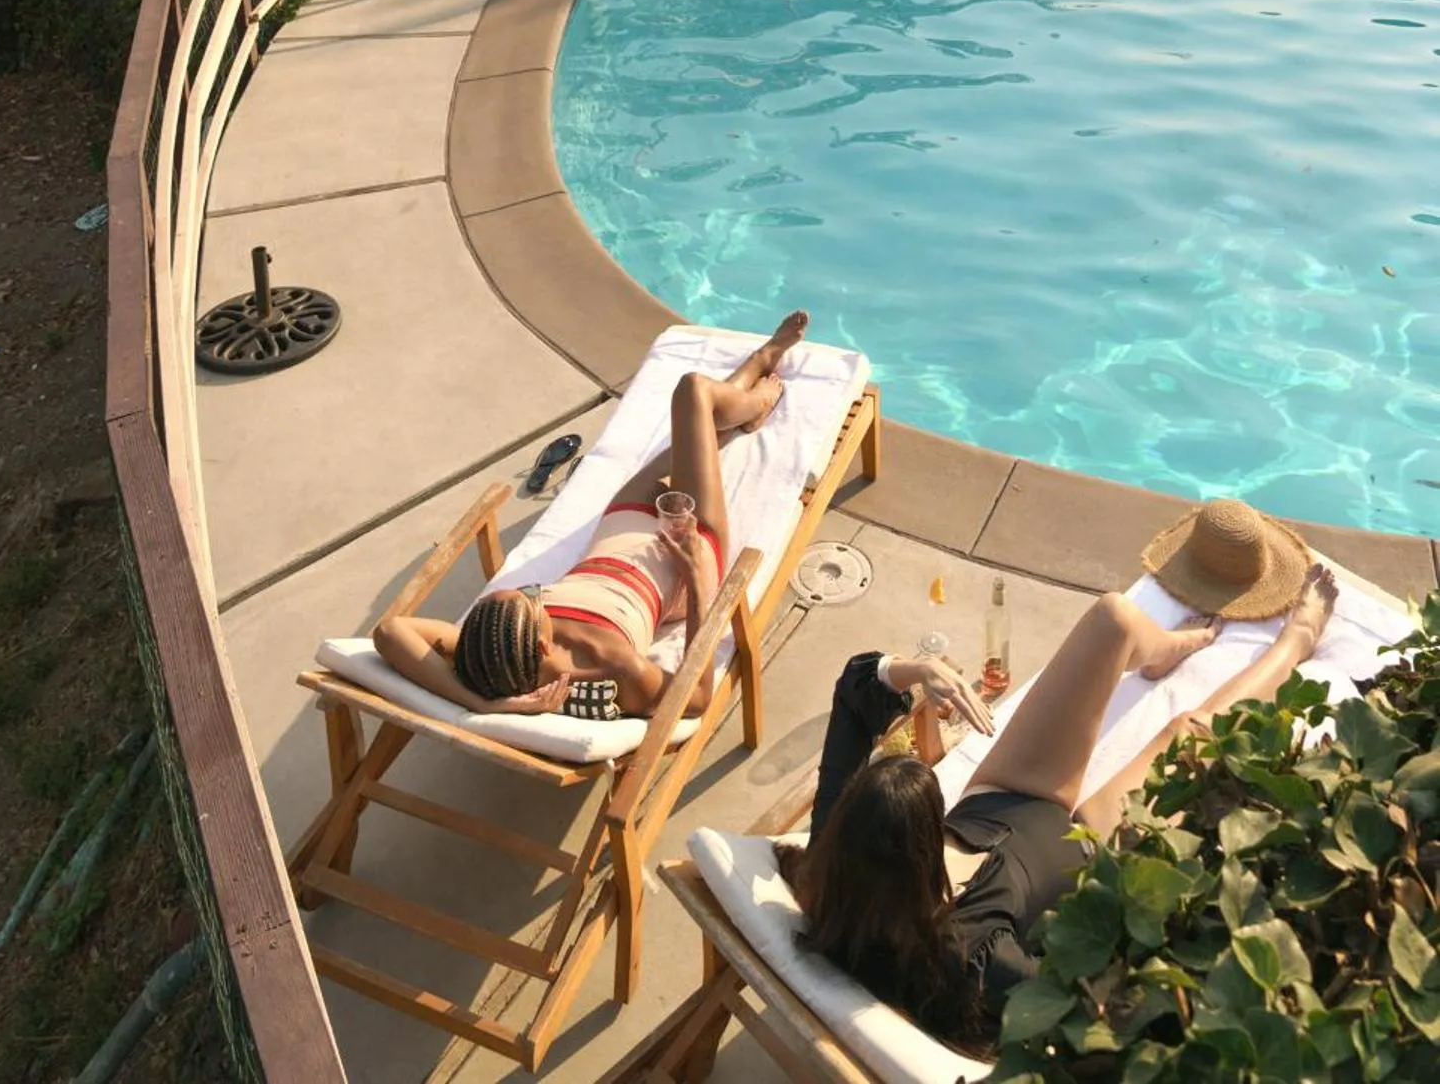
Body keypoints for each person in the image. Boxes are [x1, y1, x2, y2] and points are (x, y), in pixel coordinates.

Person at [786, 501, 1336, 1057]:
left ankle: (1167, 650)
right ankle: (1297, 642)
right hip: (1087, 850)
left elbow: (853, 692)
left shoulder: (831, 861)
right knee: (1185, 733)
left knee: (1114, 618)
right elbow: (1095, 1012)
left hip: (1006, 796)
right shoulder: (976, 957)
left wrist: (916, 670)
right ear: (922, 850)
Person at [373, 312, 810, 718]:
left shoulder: (487, 647)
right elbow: (694, 700)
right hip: (684, 555)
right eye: (532, 599)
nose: (534, 593)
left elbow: (391, 632)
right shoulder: (610, 664)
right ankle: (754, 394)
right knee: (692, 391)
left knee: (694, 428)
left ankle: (741, 399)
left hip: (618, 527)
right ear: (543, 646)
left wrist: (486, 708)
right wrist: (697, 580)